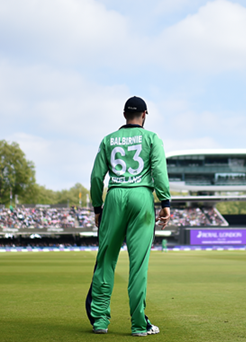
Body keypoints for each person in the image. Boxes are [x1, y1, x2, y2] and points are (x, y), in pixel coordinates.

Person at [86, 96, 171, 337]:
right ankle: (138, 325)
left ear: (124, 115)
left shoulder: (108, 139)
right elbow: (159, 172)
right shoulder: (152, 138)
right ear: (145, 114)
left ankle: (100, 321)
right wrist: (165, 203)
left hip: (114, 196)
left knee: (106, 261)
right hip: (141, 198)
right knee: (138, 266)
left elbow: (95, 178)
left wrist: (97, 208)